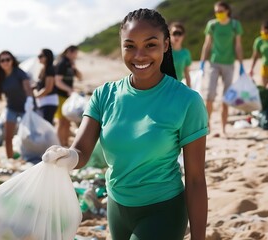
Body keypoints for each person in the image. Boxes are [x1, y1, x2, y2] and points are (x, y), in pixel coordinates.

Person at [42, 8, 208, 240]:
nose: (139, 55)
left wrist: (199, 237)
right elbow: (81, 150)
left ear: (166, 45)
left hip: (163, 211)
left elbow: (196, 179)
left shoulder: (187, 101)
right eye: (130, 46)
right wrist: (66, 156)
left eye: (150, 45)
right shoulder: (104, 95)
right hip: (117, 209)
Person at [200, 1, 244, 136]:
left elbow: (238, 45)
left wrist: (241, 64)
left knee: (226, 98)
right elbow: (207, 44)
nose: (218, 14)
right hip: (213, 63)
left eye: (221, 11)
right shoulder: (212, 25)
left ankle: (224, 129)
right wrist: (202, 61)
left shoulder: (235, 25)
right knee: (209, 96)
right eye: (216, 11)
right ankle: (207, 128)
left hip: (229, 64)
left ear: (227, 11)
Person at [0, 51, 34, 159]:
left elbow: (27, 87)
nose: (5, 62)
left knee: (28, 136)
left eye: (8, 59)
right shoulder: (0, 76)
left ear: (12, 60)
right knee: (8, 137)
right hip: (11, 109)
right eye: (2, 60)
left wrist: (29, 100)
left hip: (26, 109)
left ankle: (28, 157)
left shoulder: (19, 73)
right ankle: (10, 159)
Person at [54, 45, 82, 146]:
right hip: (60, 96)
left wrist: (74, 67)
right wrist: (69, 89)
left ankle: (65, 143)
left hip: (67, 97)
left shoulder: (70, 64)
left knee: (67, 122)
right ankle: (59, 144)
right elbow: (57, 81)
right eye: (75, 53)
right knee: (61, 122)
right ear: (69, 52)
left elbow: (80, 77)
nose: (76, 55)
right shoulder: (62, 63)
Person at [249, 20, 268, 87]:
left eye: (267, 33)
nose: (265, 34)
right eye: (263, 32)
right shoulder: (259, 41)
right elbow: (255, 55)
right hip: (266, 67)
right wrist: (251, 68)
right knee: (265, 87)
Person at [33, 49, 58, 125]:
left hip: (49, 102)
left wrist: (37, 95)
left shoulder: (49, 69)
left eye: (40, 56)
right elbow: (41, 85)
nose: (39, 58)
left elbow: (48, 88)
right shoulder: (43, 68)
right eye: (38, 56)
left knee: (46, 127)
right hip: (43, 102)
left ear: (47, 57)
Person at [170, 22, 192, 86]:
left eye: (179, 33)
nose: (177, 36)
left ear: (183, 36)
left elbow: (187, 74)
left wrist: (189, 92)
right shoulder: (163, 52)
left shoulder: (186, 53)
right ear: (169, 35)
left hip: (177, 87)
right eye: (174, 33)